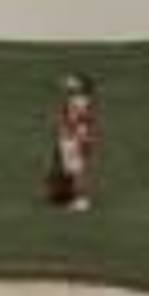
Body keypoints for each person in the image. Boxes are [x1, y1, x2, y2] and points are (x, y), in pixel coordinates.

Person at [47, 73, 98, 211]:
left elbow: (76, 121)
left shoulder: (79, 101)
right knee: (68, 169)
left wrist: (76, 137)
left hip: (74, 139)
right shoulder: (77, 100)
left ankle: (81, 201)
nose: (69, 84)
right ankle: (65, 196)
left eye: (73, 83)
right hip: (72, 138)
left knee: (76, 171)